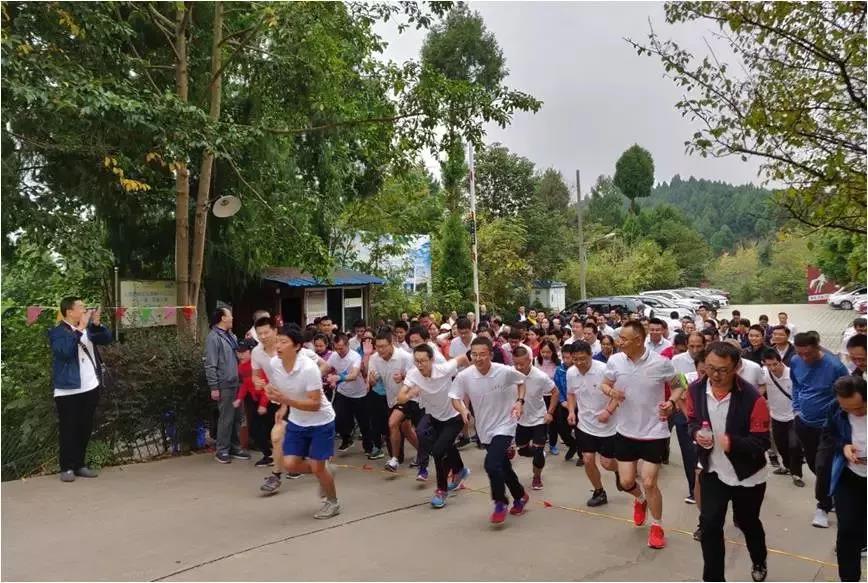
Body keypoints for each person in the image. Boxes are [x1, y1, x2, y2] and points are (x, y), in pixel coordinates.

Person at [686, 341, 771, 583]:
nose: (715, 375)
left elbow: (762, 442)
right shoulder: (696, 390)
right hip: (713, 470)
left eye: (722, 370)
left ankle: (759, 559)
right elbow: (692, 420)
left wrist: (732, 443)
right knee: (710, 525)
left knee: (747, 522)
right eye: (710, 368)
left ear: (736, 368)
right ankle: (713, 578)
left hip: (747, 474)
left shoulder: (752, 398)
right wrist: (696, 434)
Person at [601, 320, 686, 549]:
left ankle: (657, 526)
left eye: (623, 339)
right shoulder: (615, 360)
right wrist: (611, 392)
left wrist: (671, 402)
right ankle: (640, 500)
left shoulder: (661, 363)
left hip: (653, 431)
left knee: (649, 482)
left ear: (638, 340)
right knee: (626, 481)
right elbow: (604, 384)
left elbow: (679, 384)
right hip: (625, 430)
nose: (619, 342)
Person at [263, 325, 340, 519]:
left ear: (297, 346)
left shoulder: (308, 368)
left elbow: (315, 404)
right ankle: (326, 471)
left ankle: (332, 502)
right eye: (277, 341)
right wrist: (280, 403)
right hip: (297, 420)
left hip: (321, 421)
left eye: (283, 342)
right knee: (290, 464)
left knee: (317, 467)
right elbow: (282, 388)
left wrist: (286, 401)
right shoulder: (275, 363)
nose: (278, 346)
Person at [449, 337, 529, 523]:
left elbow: (521, 382)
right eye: (474, 354)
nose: (478, 358)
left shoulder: (504, 371)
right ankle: (520, 495)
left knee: (491, 464)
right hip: (484, 428)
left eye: (482, 354)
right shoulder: (465, 376)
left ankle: (500, 502)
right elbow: (454, 397)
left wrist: (519, 401)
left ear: (491, 355)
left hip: (505, 424)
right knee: (502, 466)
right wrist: (463, 409)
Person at [396, 345, 471, 508]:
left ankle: (441, 491)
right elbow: (400, 397)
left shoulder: (444, 369)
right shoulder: (413, 374)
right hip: (435, 418)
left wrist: (471, 376)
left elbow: (463, 358)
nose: (420, 364)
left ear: (431, 360)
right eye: (417, 361)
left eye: (423, 361)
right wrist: (410, 394)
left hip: (455, 416)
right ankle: (460, 470)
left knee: (438, 452)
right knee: (446, 446)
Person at [49, 297, 113, 482]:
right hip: (68, 390)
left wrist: (97, 324)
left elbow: (106, 339)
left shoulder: (88, 329)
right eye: (81, 307)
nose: (85, 310)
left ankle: (79, 464)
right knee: (68, 429)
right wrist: (79, 329)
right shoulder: (57, 332)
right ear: (69, 311)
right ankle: (67, 467)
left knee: (85, 427)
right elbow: (64, 352)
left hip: (90, 386)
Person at [790, 331, 849, 528]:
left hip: (828, 426)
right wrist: (796, 408)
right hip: (804, 422)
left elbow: (847, 393)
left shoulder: (835, 366)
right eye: (800, 353)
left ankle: (822, 506)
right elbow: (796, 385)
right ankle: (831, 492)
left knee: (823, 465)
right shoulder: (796, 361)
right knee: (814, 464)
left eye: (808, 353)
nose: (804, 358)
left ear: (818, 347)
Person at [823, 376, 867, 582]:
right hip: (850, 475)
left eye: (858, 408)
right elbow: (828, 435)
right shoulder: (835, 408)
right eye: (847, 409)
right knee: (847, 528)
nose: (854, 413)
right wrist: (843, 446)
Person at [252, 318, 302, 494]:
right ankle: (276, 475)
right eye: (259, 334)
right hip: (281, 400)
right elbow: (256, 375)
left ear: (275, 330)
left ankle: (310, 464)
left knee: (301, 437)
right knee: (277, 436)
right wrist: (258, 382)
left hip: (303, 400)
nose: (263, 337)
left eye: (266, 332)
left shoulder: (293, 349)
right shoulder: (257, 352)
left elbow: (323, 365)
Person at [567, 340, 619, 507]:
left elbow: (618, 395)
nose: (579, 363)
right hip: (585, 424)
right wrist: (571, 411)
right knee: (588, 459)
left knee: (607, 463)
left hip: (608, 425)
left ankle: (619, 470)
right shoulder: (571, 372)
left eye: (583, 359)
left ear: (591, 355)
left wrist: (608, 411)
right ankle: (599, 491)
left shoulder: (604, 371)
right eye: (575, 359)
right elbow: (571, 394)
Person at [368, 328, 420, 475]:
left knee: (392, 423)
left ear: (391, 344)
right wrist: (372, 380)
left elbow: (417, 377)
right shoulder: (374, 358)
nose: (380, 350)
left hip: (410, 398)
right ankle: (423, 452)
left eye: (383, 346)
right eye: (377, 347)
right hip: (392, 399)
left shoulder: (405, 357)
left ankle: (394, 460)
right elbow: (373, 380)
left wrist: (403, 377)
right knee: (406, 429)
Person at [205, 306, 250, 464]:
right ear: (223, 318)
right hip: (224, 383)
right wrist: (214, 387)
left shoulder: (231, 335)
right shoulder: (213, 338)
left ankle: (235, 447)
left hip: (237, 381)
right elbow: (210, 364)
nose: (232, 318)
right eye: (229, 315)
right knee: (226, 418)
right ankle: (222, 450)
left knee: (237, 417)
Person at [513, 346, 558, 491]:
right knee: (522, 450)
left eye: (521, 364)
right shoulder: (511, 374)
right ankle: (538, 452)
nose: (518, 367)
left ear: (529, 360)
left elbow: (555, 392)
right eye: (515, 364)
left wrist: (550, 413)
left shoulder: (540, 376)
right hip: (521, 419)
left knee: (538, 453)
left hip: (539, 418)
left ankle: (537, 476)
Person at [327, 333, 379, 457]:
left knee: (364, 423)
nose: (339, 351)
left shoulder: (355, 357)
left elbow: (354, 375)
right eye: (336, 348)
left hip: (360, 394)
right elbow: (325, 367)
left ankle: (369, 447)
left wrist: (339, 377)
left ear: (347, 345)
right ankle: (347, 439)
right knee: (338, 419)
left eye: (341, 348)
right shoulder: (334, 356)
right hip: (343, 393)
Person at [761, 349, 804, 487]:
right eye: (769, 365)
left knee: (794, 446)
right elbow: (759, 389)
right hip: (776, 416)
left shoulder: (792, 373)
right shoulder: (764, 374)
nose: (772, 368)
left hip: (793, 416)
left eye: (775, 364)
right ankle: (786, 466)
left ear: (780, 361)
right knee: (781, 446)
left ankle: (797, 474)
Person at [232, 339, 275, 467]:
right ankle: (269, 455)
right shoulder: (241, 367)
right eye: (238, 352)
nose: (240, 355)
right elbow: (246, 384)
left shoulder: (259, 365)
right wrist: (239, 398)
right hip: (256, 401)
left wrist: (263, 404)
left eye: (243, 352)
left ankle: (280, 457)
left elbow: (266, 386)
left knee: (271, 429)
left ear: (252, 352)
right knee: (255, 429)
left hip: (269, 400)